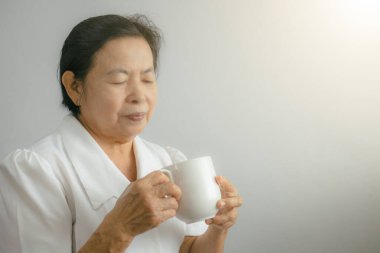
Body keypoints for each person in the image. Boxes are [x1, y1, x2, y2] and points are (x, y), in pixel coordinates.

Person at [0, 14, 243, 253]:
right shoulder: (34, 171)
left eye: (147, 79)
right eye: (118, 80)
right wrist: (120, 228)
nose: (139, 95)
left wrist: (218, 228)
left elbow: (188, 248)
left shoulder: (170, 161)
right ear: (74, 86)